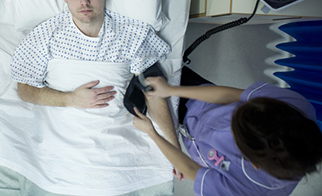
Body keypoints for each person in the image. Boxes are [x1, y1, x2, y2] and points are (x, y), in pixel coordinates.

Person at [0, 0, 181, 194]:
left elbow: (154, 91)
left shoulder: (133, 33)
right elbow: (25, 89)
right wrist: (70, 99)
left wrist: (174, 150)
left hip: (119, 157)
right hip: (62, 162)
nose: (84, 1)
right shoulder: (45, 35)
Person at [133, 67, 322, 196]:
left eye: (234, 128)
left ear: (252, 160)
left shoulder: (243, 190)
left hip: (194, 139)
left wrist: (153, 133)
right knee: (154, 72)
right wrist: (172, 90)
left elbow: (191, 169)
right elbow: (232, 95)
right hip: (203, 97)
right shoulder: (295, 107)